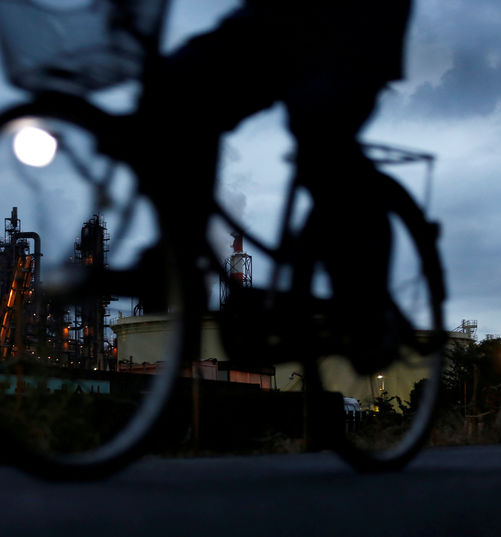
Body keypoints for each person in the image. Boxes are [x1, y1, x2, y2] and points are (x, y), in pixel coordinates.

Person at [140, 1, 414, 371]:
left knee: (322, 133)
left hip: (356, 20)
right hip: (276, 15)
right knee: (175, 86)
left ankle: (365, 312)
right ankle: (178, 254)